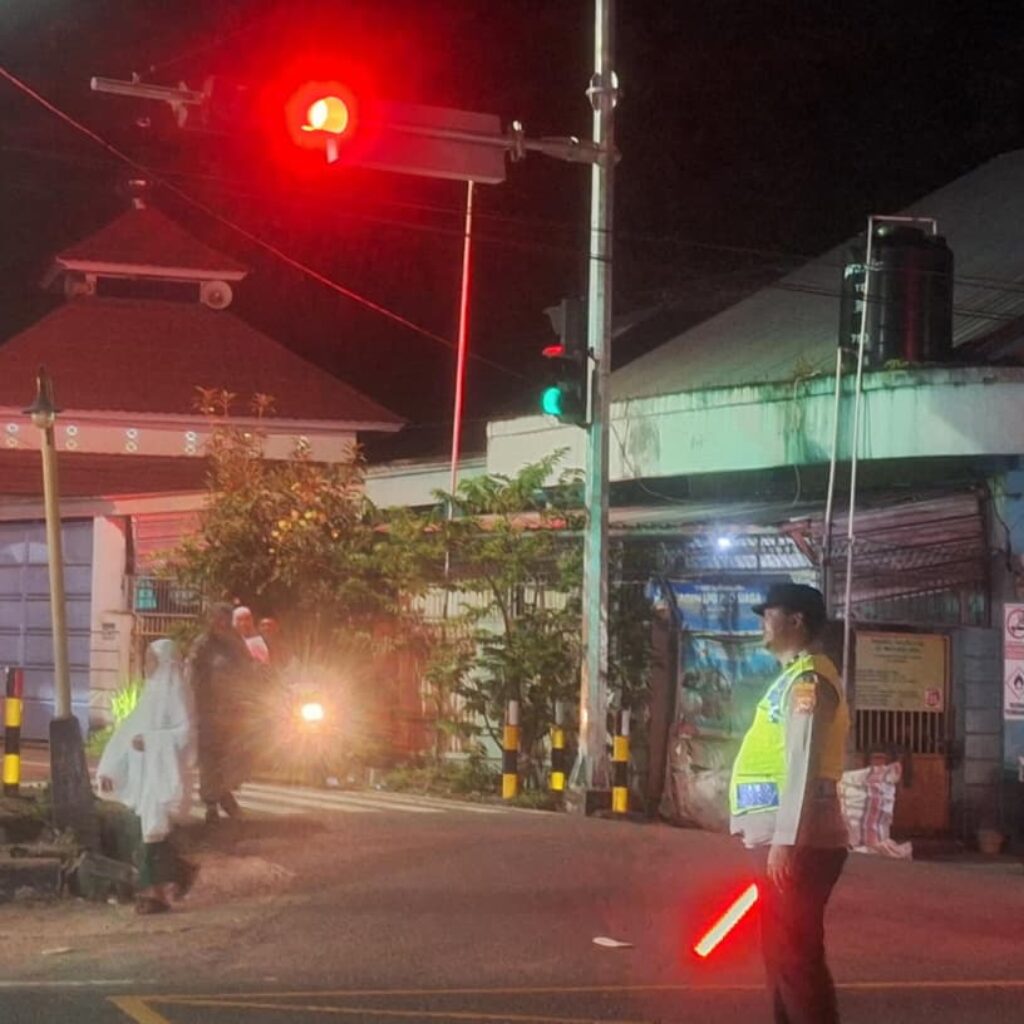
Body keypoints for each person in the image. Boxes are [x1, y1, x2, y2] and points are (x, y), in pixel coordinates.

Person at [729, 583, 851, 1024]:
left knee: (796, 962)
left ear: (796, 621)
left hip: (800, 842)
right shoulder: (792, 678)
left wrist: (786, 839)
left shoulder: (809, 682)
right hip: (787, 839)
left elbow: (802, 762)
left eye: (770, 613)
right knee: (783, 960)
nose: (763, 621)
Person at [97, 638, 199, 915]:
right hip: (147, 774)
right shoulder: (150, 693)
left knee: (152, 834)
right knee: (152, 833)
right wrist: (110, 769)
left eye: (151, 659)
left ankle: (152, 895)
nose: (145, 665)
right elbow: (125, 734)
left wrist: (153, 742)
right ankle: (177, 875)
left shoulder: (177, 692)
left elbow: (186, 734)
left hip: (164, 772)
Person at [190, 602, 252, 823]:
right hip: (208, 711)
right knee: (209, 759)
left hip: (233, 712)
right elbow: (193, 675)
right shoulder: (203, 645)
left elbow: (248, 671)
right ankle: (212, 804)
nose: (221, 623)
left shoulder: (236, 645)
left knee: (230, 760)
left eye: (225, 619)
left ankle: (223, 795)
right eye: (218, 619)